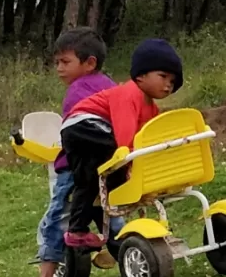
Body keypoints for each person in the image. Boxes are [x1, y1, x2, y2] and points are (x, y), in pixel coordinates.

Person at [17, 28, 114, 277]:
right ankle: (131, 253)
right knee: (109, 214)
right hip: (107, 164)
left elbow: (74, 135)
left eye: (65, 62)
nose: (58, 68)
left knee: (56, 219)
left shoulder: (77, 90)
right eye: (56, 62)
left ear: (89, 62)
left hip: (73, 167)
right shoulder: (110, 86)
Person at [60, 37, 184, 249]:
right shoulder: (129, 93)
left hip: (93, 133)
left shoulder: (152, 109)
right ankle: (79, 229)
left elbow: (148, 139)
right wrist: (132, 160)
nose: (167, 85)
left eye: (172, 82)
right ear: (141, 75)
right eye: (163, 76)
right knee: (118, 154)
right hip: (82, 123)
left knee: (95, 177)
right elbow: (126, 139)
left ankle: (79, 230)